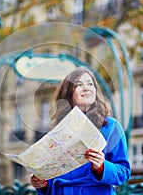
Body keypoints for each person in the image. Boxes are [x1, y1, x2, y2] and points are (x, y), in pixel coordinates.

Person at [30, 67, 131, 195]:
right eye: (79, 85)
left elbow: (124, 172)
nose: (86, 88)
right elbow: (52, 174)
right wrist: (41, 183)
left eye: (90, 84)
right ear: (68, 93)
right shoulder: (59, 129)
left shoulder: (111, 126)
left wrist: (102, 166)